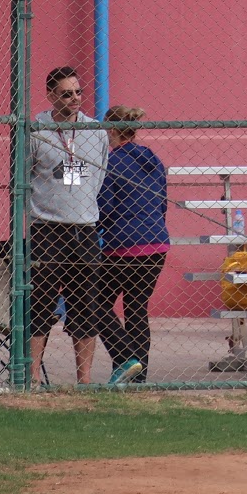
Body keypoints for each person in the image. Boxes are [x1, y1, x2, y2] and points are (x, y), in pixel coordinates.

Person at [27, 66, 108, 385]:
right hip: (47, 229)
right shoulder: (36, 131)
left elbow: (98, 177)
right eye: (65, 94)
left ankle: (84, 380)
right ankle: (32, 377)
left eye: (78, 92)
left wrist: (81, 205)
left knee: (86, 305)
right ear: (50, 96)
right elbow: (23, 178)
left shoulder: (96, 132)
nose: (74, 99)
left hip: (84, 228)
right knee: (40, 303)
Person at [96, 105, 169, 384]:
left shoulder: (112, 162)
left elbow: (106, 208)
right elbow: (162, 202)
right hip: (156, 243)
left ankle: (126, 357)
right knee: (137, 308)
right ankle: (138, 378)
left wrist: (92, 228)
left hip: (123, 246)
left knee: (96, 302)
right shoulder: (152, 158)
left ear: (111, 130)